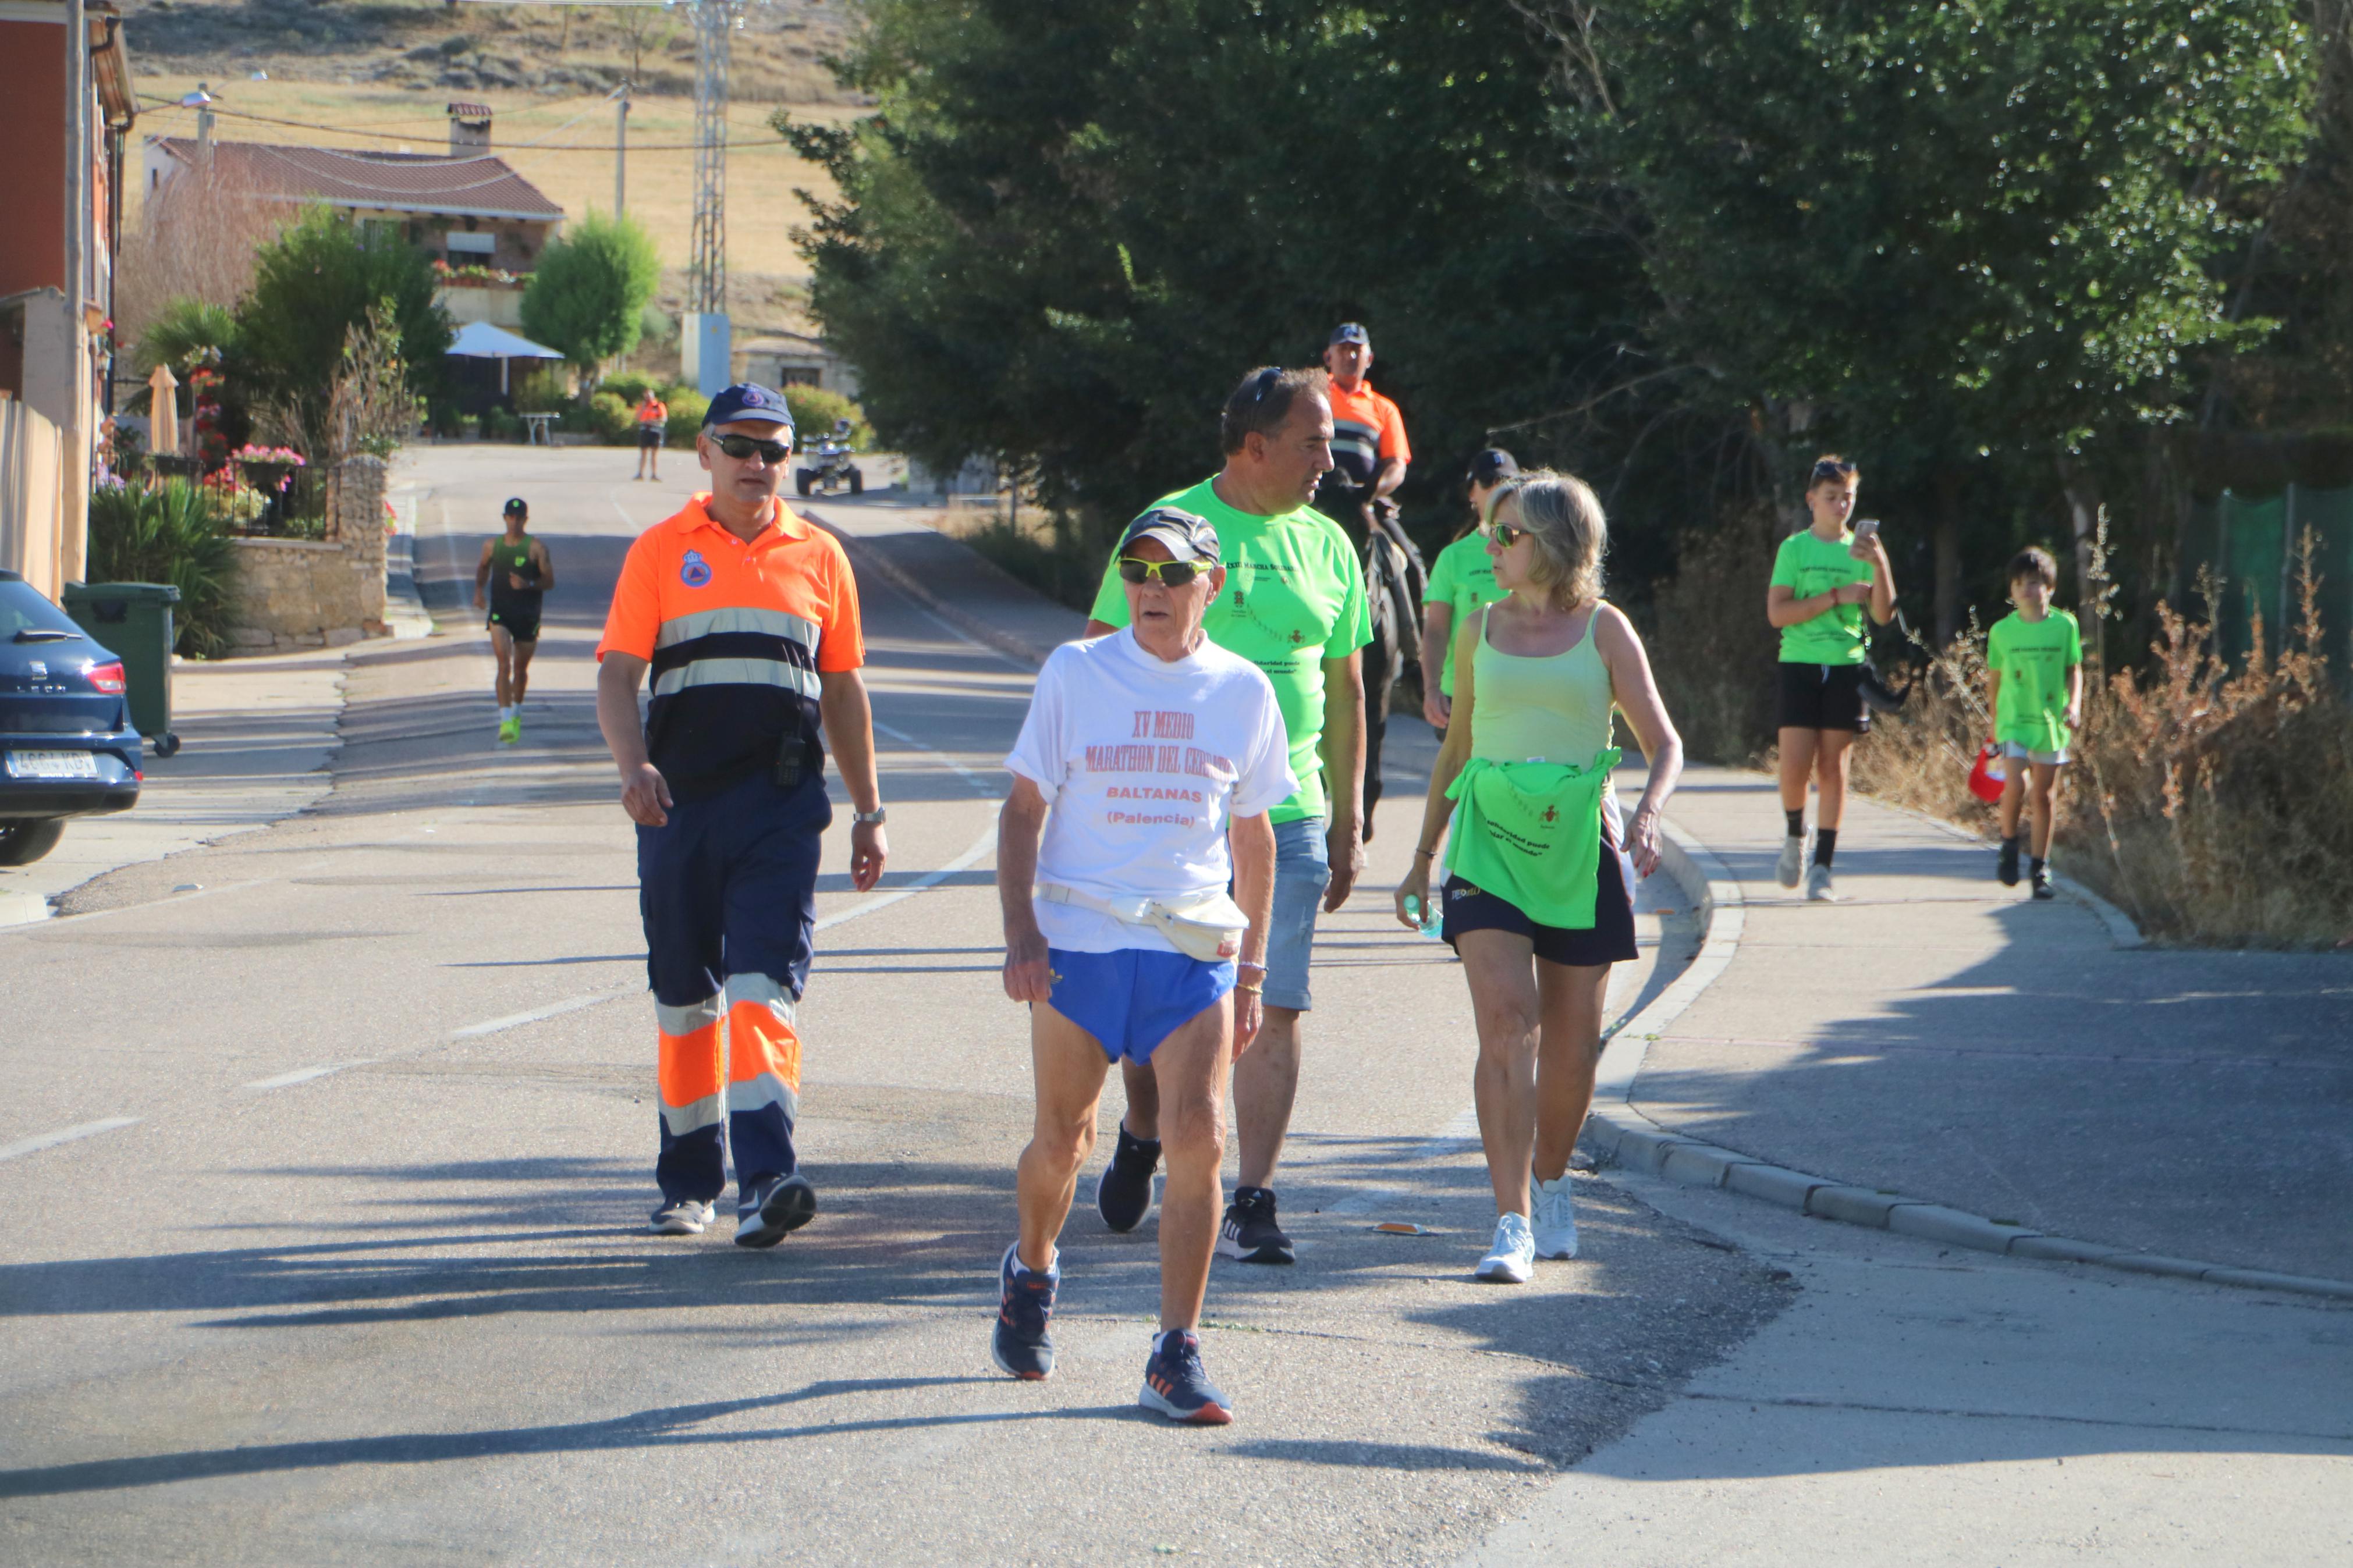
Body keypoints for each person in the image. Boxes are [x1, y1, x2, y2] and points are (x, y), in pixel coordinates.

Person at [993, 507, 1291, 1425]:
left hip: (1191, 945)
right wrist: (1021, 935)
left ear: (1213, 583)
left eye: (1172, 573)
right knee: (1061, 1141)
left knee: (1199, 1137)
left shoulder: (1241, 690)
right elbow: (1021, 811)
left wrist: (1250, 974)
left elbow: (1254, 835)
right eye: (1137, 570)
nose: (1152, 589)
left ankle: (1175, 1348)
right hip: (1079, 940)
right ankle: (1032, 1269)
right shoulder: (1076, 672)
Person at [1082, 365, 1371, 1267]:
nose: (1331, 458)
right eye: (1313, 440)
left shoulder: (1330, 544)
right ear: (1255, 445)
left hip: (1287, 816)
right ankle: (1141, 1126)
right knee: (1156, 1014)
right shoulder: (1167, 525)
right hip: (1174, 814)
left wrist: (1349, 815)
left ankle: (1252, 1195)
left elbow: (1348, 687)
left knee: (1271, 1005)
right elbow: (1101, 657)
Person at [593, 382, 888, 1246]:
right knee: (686, 997)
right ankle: (688, 1183)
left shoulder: (821, 555)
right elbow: (617, 675)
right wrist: (631, 766)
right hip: (677, 806)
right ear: (704, 450)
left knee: (765, 987)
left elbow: (843, 686)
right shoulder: (658, 551)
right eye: (740, 446)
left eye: (774, 449)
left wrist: (870, 809)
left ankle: (767, 1177)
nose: (757, 464)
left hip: (780, 807)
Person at [1394, 472, 1683, 1282]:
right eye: (1491, 531)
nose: (1489, 546)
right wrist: (1422, 856)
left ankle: (1553, 1181)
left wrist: (1648, 813)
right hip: (1487, 838)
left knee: (1570, 1047)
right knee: (1505, 1022)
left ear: (1553, 542)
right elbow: (1455, 748)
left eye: (1506, 534)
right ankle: (1510, 1218)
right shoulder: (1478, 625)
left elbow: (1663, 741)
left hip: (1578, 843)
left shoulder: (1603, 630)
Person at [1766, 455, 1895, 901]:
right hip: (1800, 661)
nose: (1841, 506)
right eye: (1831, 497)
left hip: (1846, 664)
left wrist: (1879, 564)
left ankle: (1822, 866)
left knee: (1833, 766)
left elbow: (1882, 614)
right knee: (1794, 763)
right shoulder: (1794, 550)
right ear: (1811, 501)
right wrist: (1834, 596)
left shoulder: (1861, 552)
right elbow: (1777, 612)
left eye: (1848, 498)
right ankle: (1792, 836)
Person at [1314, 322, 1422, 832]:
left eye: (1358, 351)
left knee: (1408, 561)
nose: (1350, 357)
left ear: (1369, 359)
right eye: (1342, 350)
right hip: (1316, 498)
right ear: (1328, 356)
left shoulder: (1383, 409)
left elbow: (1397, 461)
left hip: (1364, 502)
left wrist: (1376, 489)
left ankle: (1417, 652)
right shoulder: (1314, 395)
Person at [1985, 546, 2082, 901]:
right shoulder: (2001, 632)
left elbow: (2074, 670)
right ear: (2011, 593)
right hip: (2013, 721)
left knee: (2044, 796)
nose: (2027, 590)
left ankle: (2040, 868)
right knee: (2016, 784)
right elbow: (1994, 680)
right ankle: (2009, 844)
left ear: (2050, 588)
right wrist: (1994, 722)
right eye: (2020, 584)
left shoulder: (2064, 626)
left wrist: (2074, 704)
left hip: (2049, 722)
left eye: (2035, 583)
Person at [1421, 448, 1517, 736]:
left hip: (1519, 690)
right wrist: (1431, 689)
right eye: (1488, 482)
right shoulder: (1453, 557)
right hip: (1463, 695)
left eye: (1507, 482)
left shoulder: (1531, 546)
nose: (1498, 489)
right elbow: (1436, 629)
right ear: (1472, 494)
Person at [473, 496, 553, 745]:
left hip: (528, 616)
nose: (515, 522)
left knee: (520, 670)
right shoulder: (492, 546)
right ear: (505, 518)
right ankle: (505, 719)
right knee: (503, 665)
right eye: (511, 517)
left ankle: (516, 712)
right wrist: (478, 591)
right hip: (501, 614)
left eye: (519, 518)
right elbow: (483, 567)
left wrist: (528, 584)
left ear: (525, 520)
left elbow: (549, 582)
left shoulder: (536, 548)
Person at [632, 388, 669, 481]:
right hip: (645, 431)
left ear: (653, 396)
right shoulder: (642, 406)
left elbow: (664, 419)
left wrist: (653, 421)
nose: (648, 398)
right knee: (643, 453)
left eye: (649, 396)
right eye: (646, 396)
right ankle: (640, 473)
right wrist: (643, 408)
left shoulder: (658, 406)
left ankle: (654, 474)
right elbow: (637, 417)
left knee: (654, 454)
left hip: (655, 431)